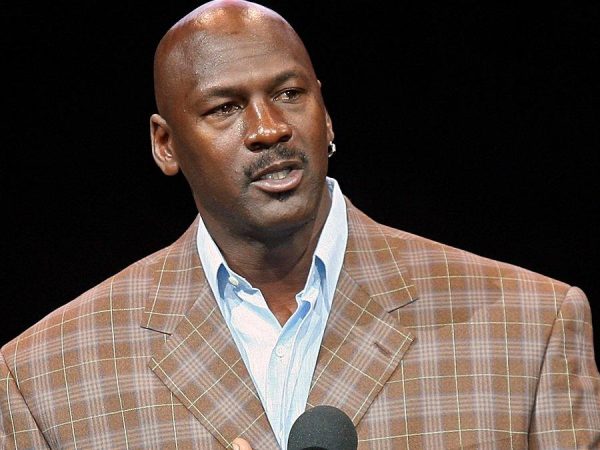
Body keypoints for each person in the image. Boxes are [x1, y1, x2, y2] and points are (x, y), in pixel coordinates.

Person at [1, 0, 598, 448]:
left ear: (326, 114)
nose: (269, 129)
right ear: (166, 144)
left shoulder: (529, 325)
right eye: (225, 108)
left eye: (289, 94)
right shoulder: (46, 375)